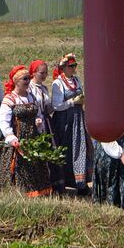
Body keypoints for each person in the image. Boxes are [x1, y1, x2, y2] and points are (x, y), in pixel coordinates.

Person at [0, 65, 52, 197]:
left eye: (28, 78)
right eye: (24, 79)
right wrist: (10, 136)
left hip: (32, 136)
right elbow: (4, 121)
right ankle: (18, 193)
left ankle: (38, 192)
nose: (28, 81)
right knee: (19, 167)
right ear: (16, 81)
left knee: (35, 165)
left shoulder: (31, 97)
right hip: (17, 137)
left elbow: (38, 113)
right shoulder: (10, 99)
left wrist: (38, 122)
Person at [49, 53, 90, 194]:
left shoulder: (77, 80)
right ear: (64, 67)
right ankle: (63, 183)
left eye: (75, 65)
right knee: (65, 150)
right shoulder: (57, 83)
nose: (74, 68)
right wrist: (73, 102)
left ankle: (80, 183)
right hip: (64, 121)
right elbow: (56, 105)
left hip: (78, 119)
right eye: (71, 66)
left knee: (80, 148)